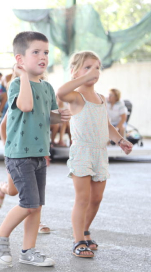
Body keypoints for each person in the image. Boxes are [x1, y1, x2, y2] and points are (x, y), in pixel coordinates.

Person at [0, 31, 71, 267]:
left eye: (45, 52)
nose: (42, 56)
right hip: (19, 155)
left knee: (36, 208)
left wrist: (60, 116)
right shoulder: (16, 84)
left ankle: (28, 251)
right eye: (35, 52)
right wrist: (23, 76)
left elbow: (47, 116)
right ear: (20, 59)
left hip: (38, 155)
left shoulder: (47, 87)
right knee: (29, 204)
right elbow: (25, 105)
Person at [57, 50, 133, 258]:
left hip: (100, 152)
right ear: (74, 72)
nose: (94, 71)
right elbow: (60, 93)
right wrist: (82, 78)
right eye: (88, 67)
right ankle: (78, 240)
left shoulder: (100, 98)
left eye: (97, 67)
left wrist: (120, 140)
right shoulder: (76, 96)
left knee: (96, 198)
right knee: (82, 198)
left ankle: (85, 229)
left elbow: (106, 124)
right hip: (82, 151)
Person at [0, 111, 51, 235]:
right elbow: (3, 126)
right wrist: (6, 147)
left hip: (35, 155)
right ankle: (2, 188)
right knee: (13, 191)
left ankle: (36, 221)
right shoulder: (18, 102)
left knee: (35, 194)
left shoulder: (41, 104)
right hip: (15, 154)